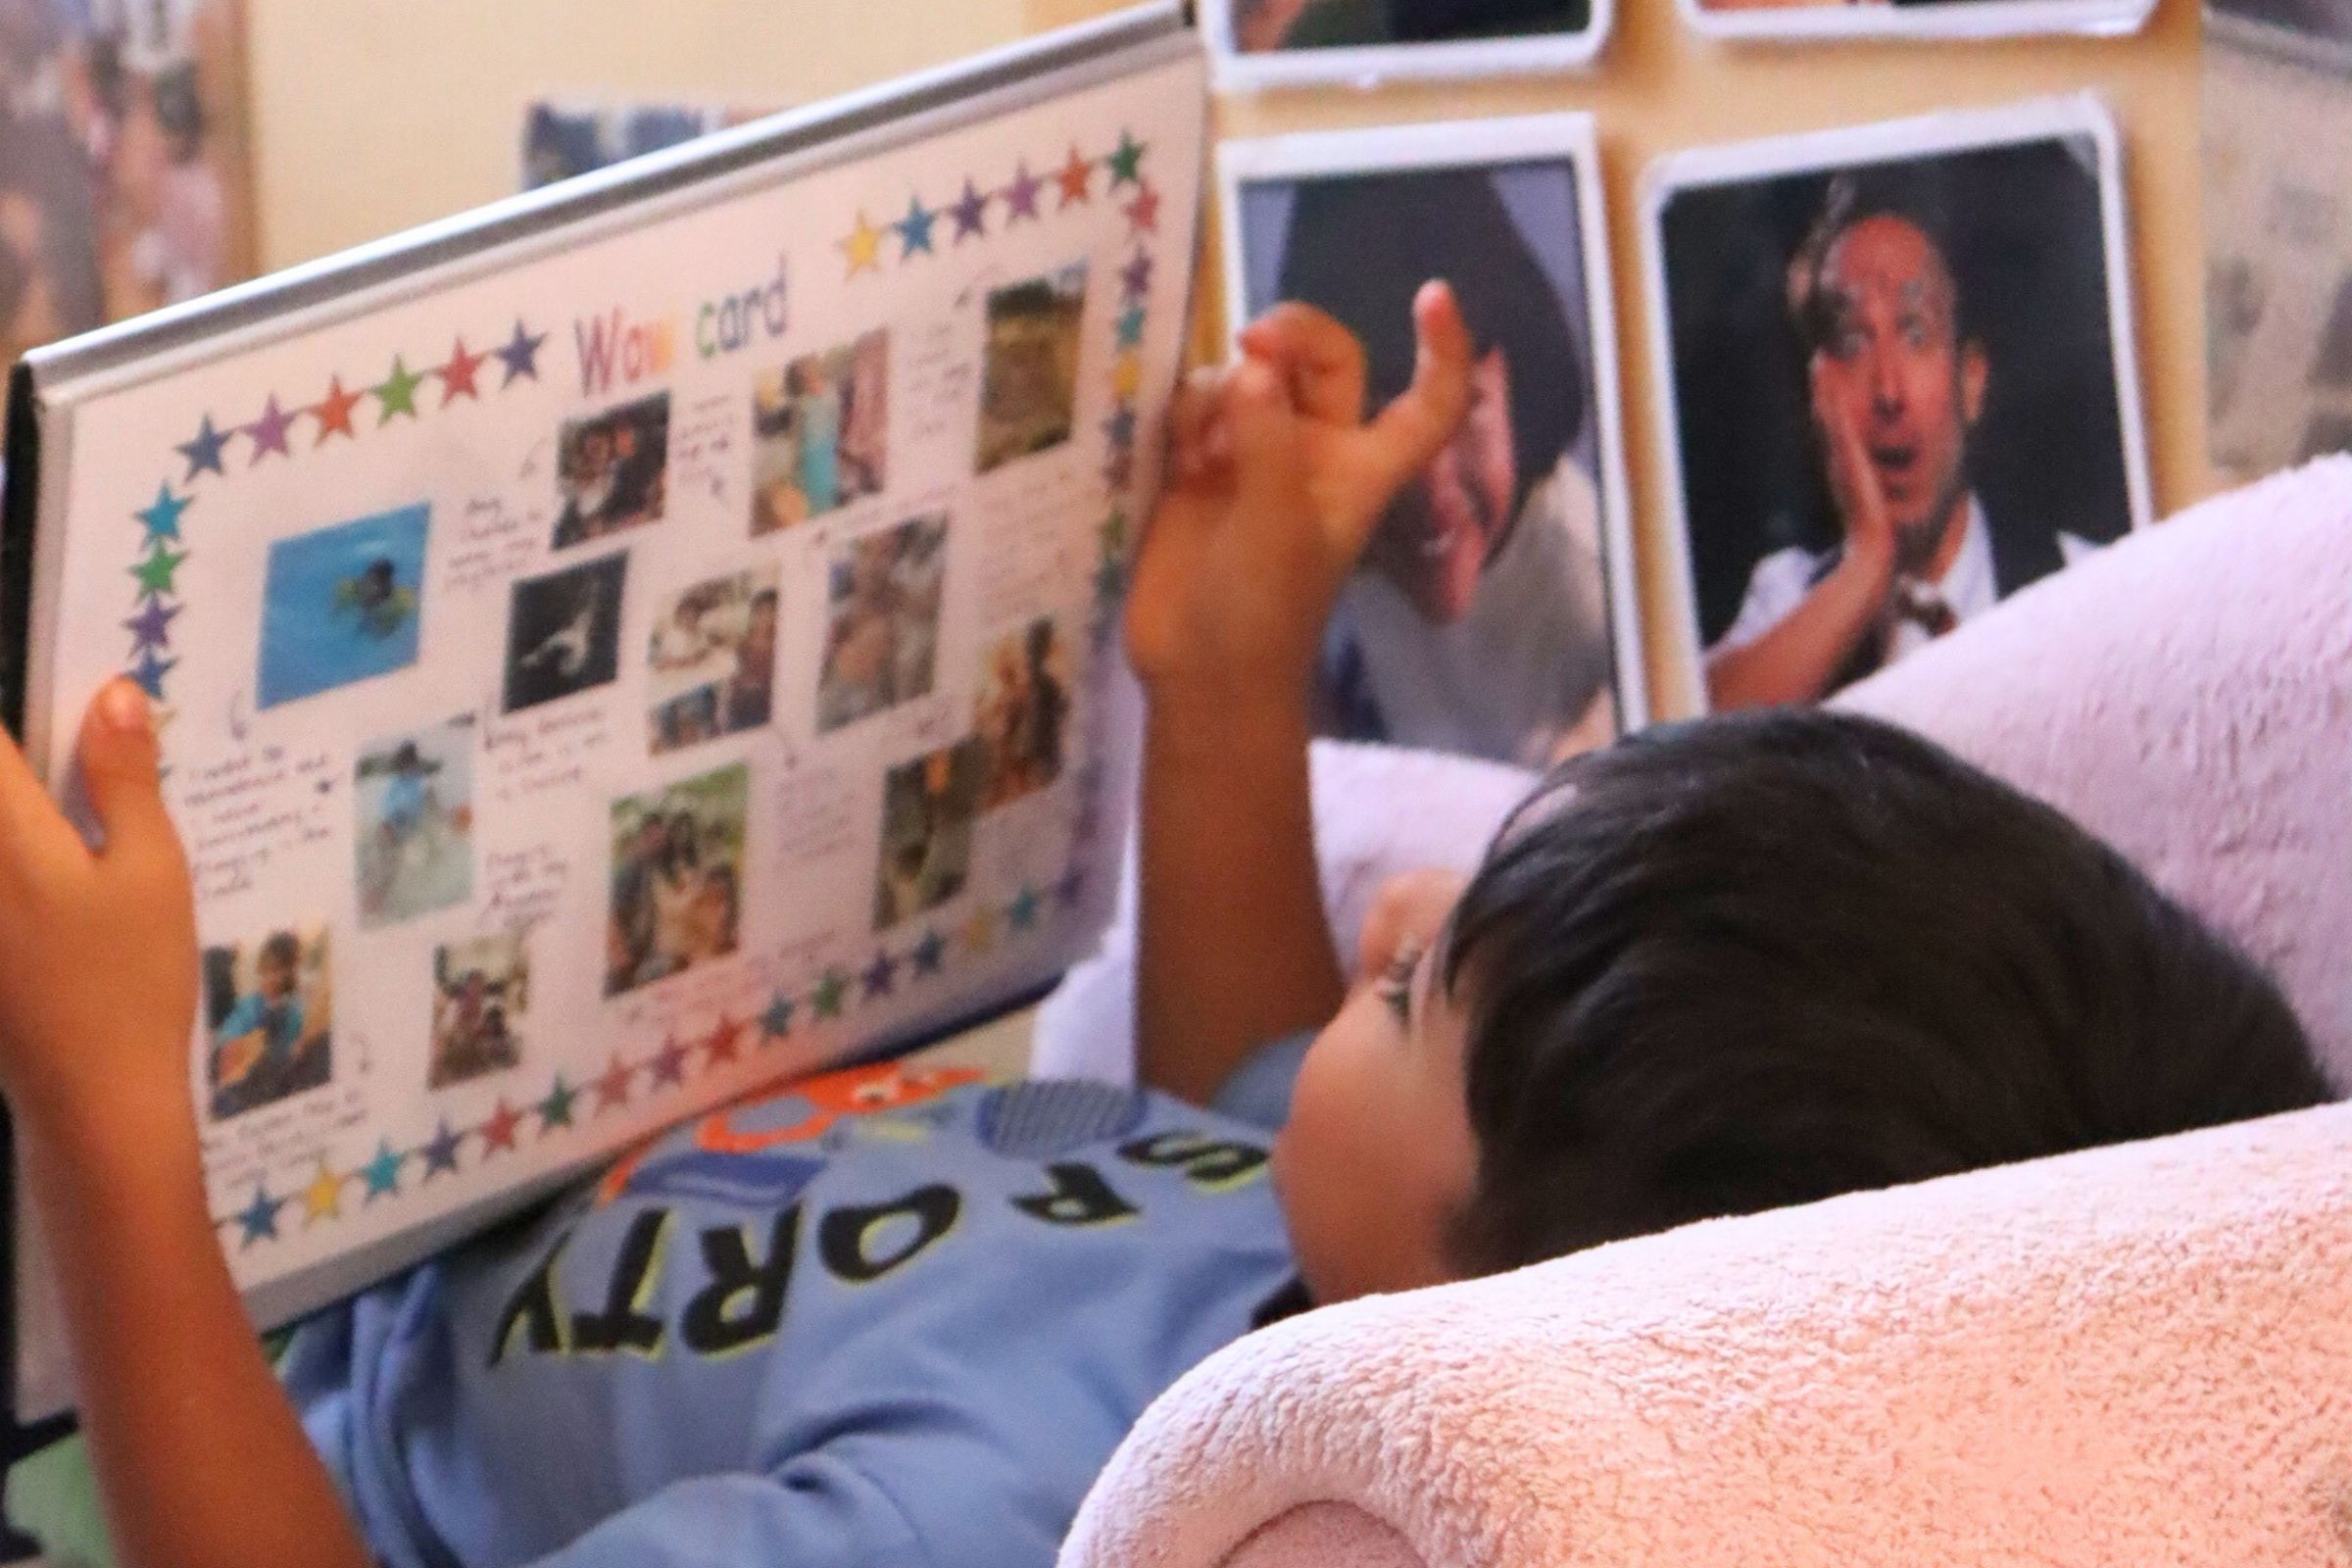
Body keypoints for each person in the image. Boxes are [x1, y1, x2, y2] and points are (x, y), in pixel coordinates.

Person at [0, 283, 2330, 1568]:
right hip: (500, 1101)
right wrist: (1227, 672)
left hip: (228, 1390)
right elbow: (1237, 1087)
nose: (1388, 902)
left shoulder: (1014, 1512)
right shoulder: (1319, 1262)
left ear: (1475, 1313)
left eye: (1417, 983)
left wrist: (110, 1117)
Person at [1705, 172, 2101, 710]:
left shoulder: (2084, 583)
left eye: (1915, 334)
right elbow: (1688, 740)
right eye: (1851, 342)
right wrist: (1868, 563)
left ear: (1971, 381)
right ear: (1820, 392)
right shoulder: (1789, 596)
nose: (1888, 391)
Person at [1272, 168, 1617, 770]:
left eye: (1462, 410)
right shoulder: (1356, 546)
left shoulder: (1595, 591)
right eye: (1379, 424)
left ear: (1517, 381)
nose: (1431, 492)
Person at [208, 930, 329, 1119]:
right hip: (263, 1065)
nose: (269, 979)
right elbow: (236, 1025)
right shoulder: (255, 1004)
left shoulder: (294, 1004)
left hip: (283, 1065)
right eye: (265, 971)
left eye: (278, 972)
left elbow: (300, 1032)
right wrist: (229, 1041)